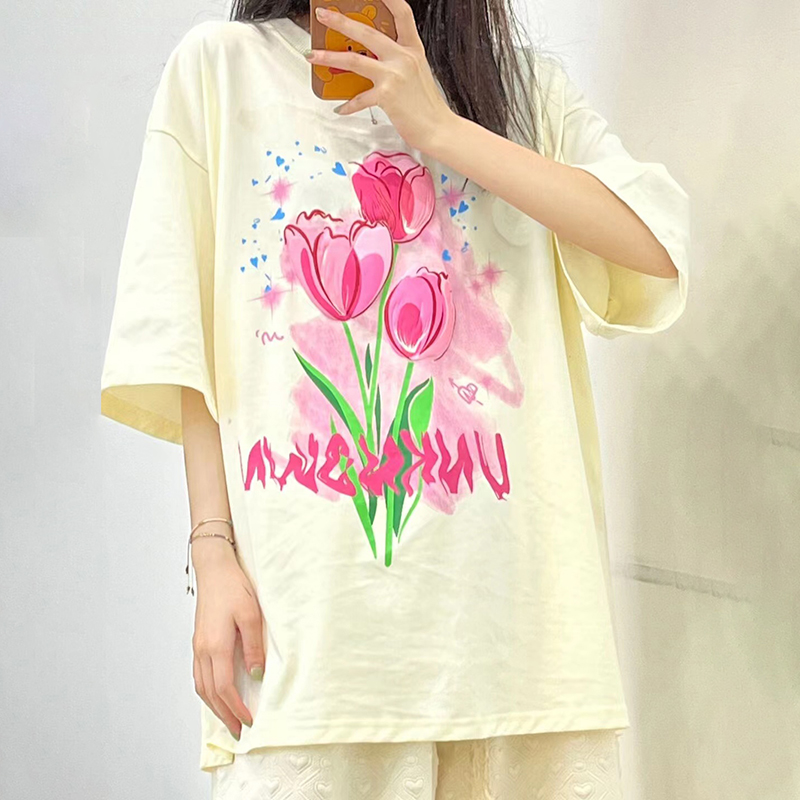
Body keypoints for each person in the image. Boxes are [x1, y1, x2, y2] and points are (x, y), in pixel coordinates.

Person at [99, 0, 690, 797]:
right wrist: (212, 554)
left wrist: (440, 129)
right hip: (313, 647)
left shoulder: (522, 92)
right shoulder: (220, 70)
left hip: (520, 658)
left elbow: (657, 249)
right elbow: (187, 336)